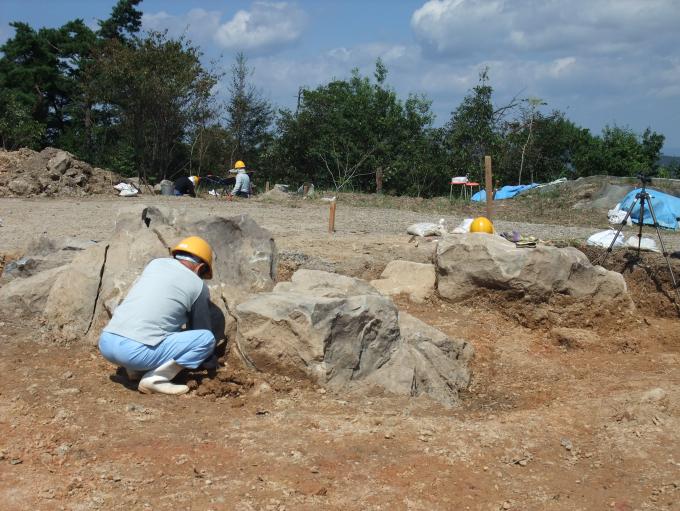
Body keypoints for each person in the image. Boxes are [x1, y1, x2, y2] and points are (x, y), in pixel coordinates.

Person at [98, 236, 216, 395]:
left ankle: (135, 370)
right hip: (134, 353)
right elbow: (200, 327)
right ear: (200, 267)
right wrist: (211, 366)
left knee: (162, 328)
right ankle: (156, 379)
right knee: (206, 339)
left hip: (106, 342)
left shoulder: (155, 264)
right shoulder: (198, 286)